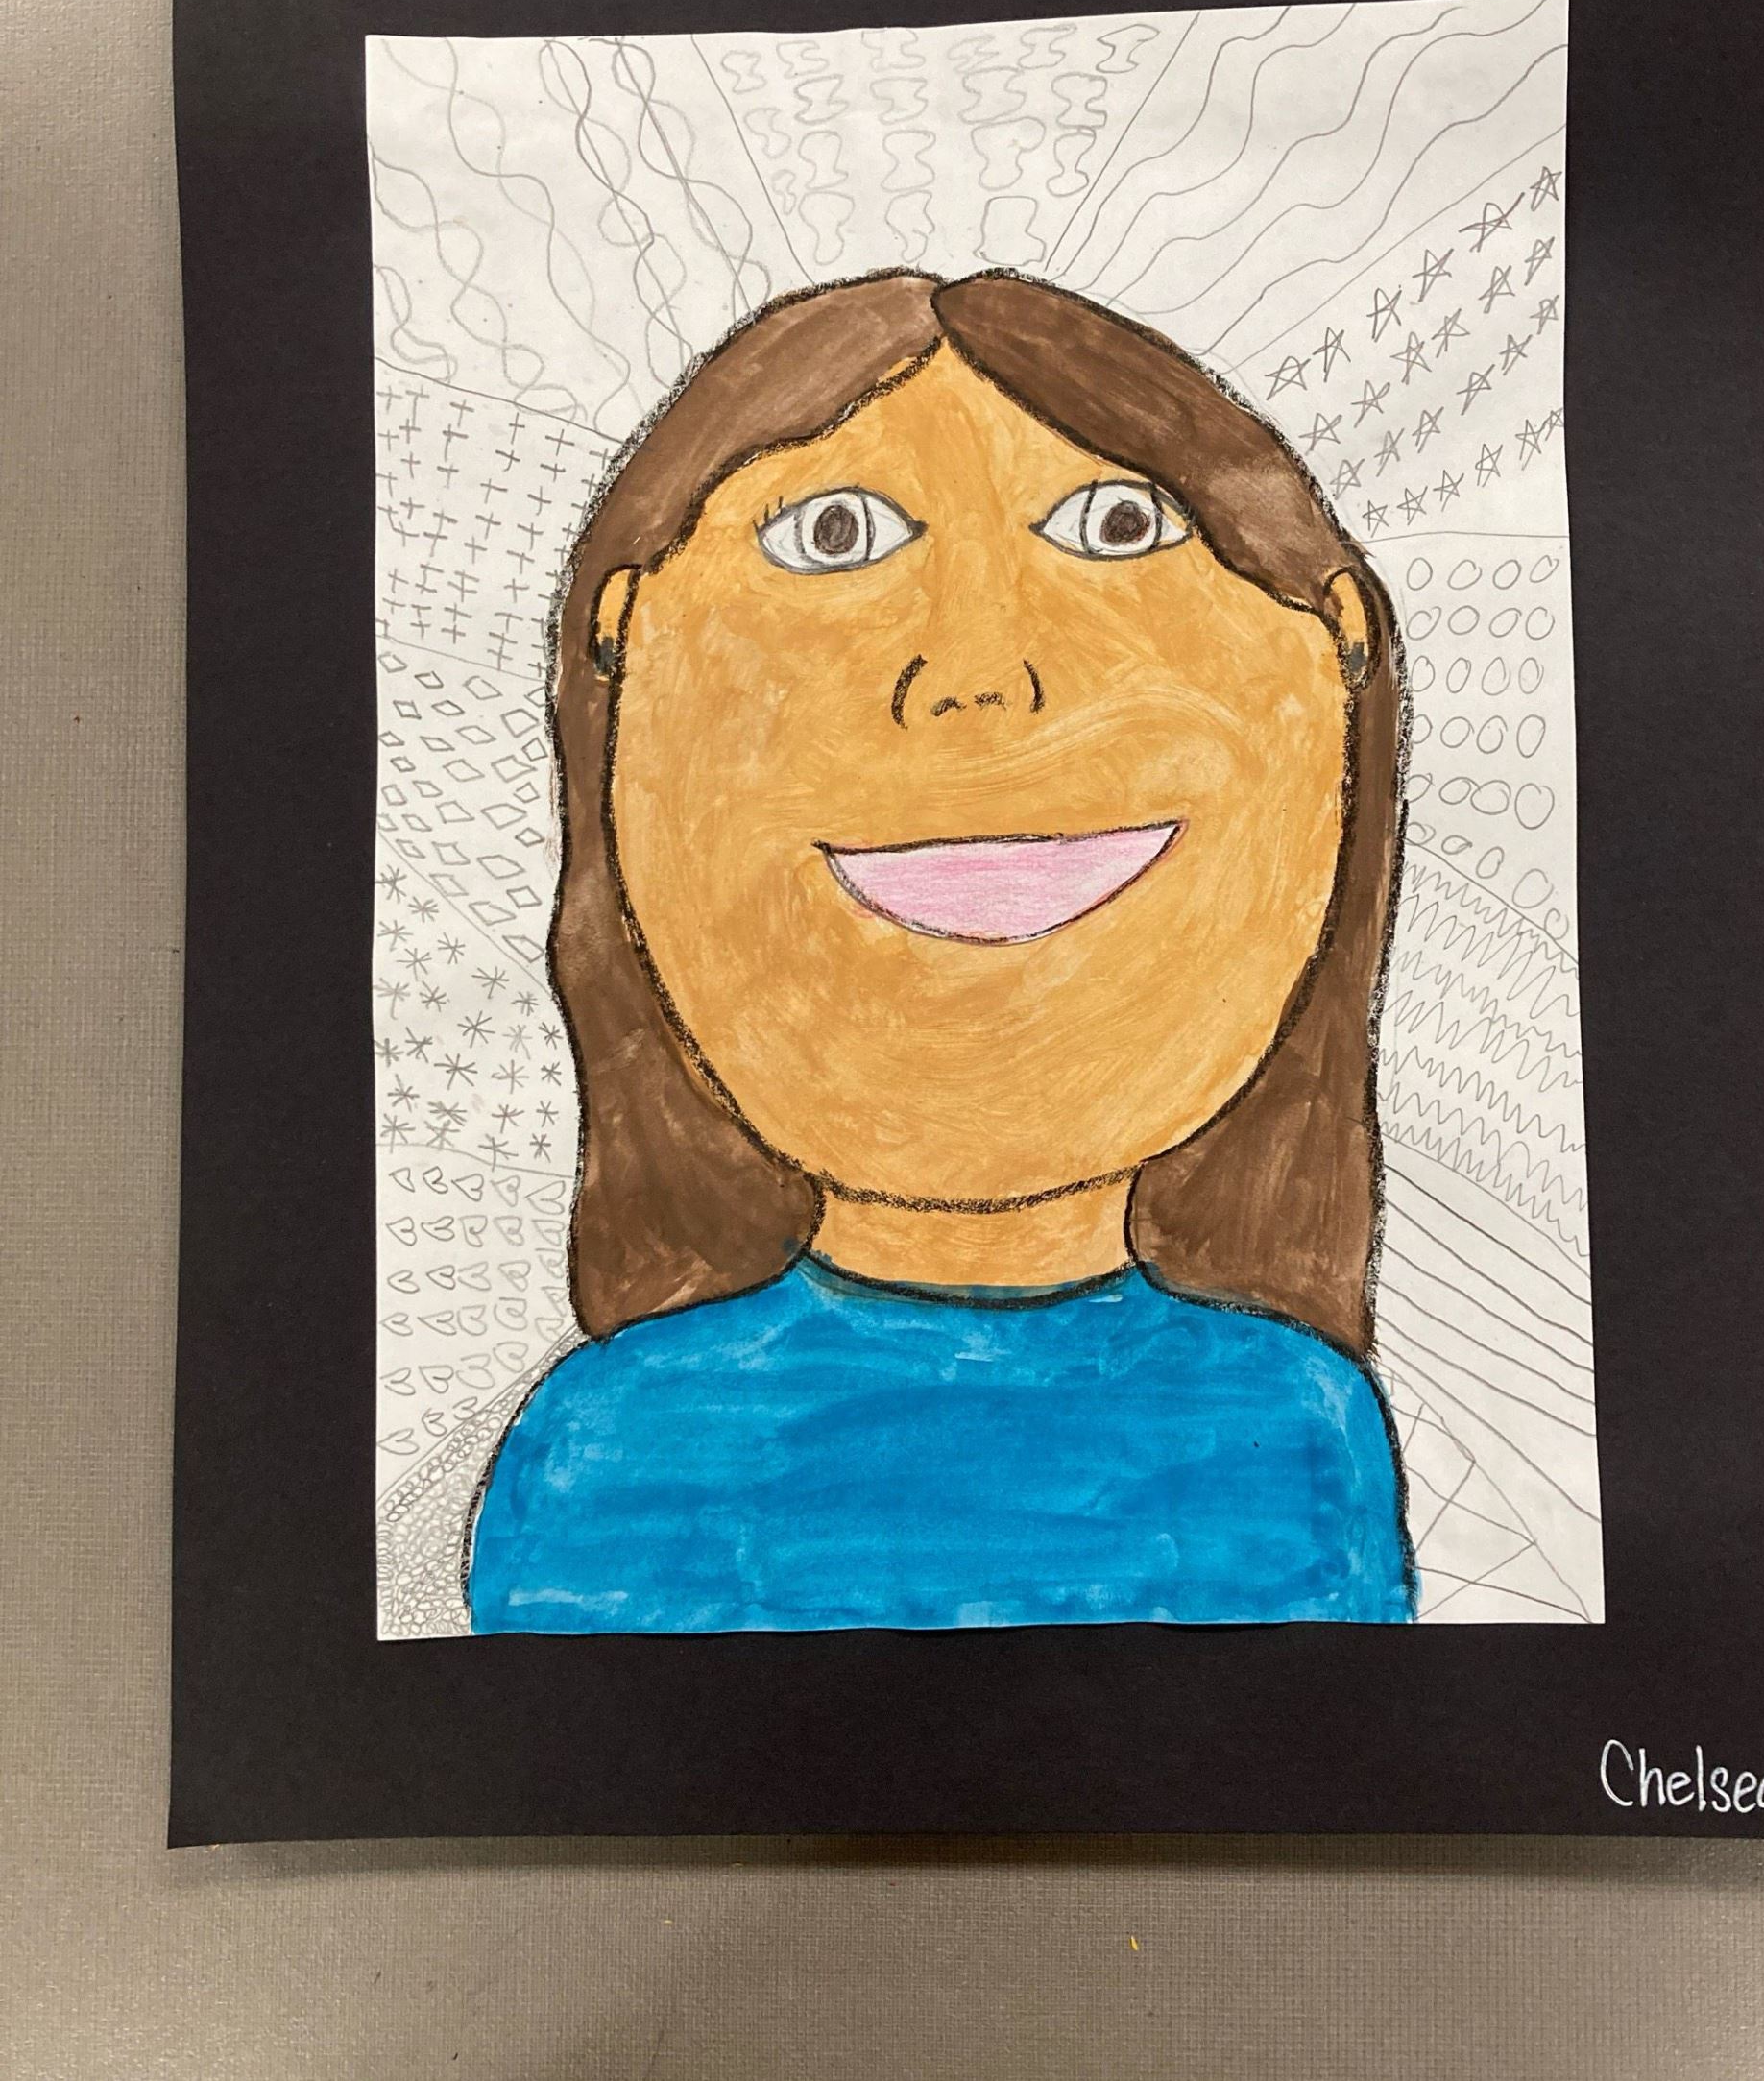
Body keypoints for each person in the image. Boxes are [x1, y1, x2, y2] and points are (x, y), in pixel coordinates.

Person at [465, 269, 1415, 1632]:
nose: (978, 672)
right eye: (833, 533)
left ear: (1338, 650)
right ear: (621, 659)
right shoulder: (609, 1458)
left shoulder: (1296, 1436)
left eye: (1116, 524)